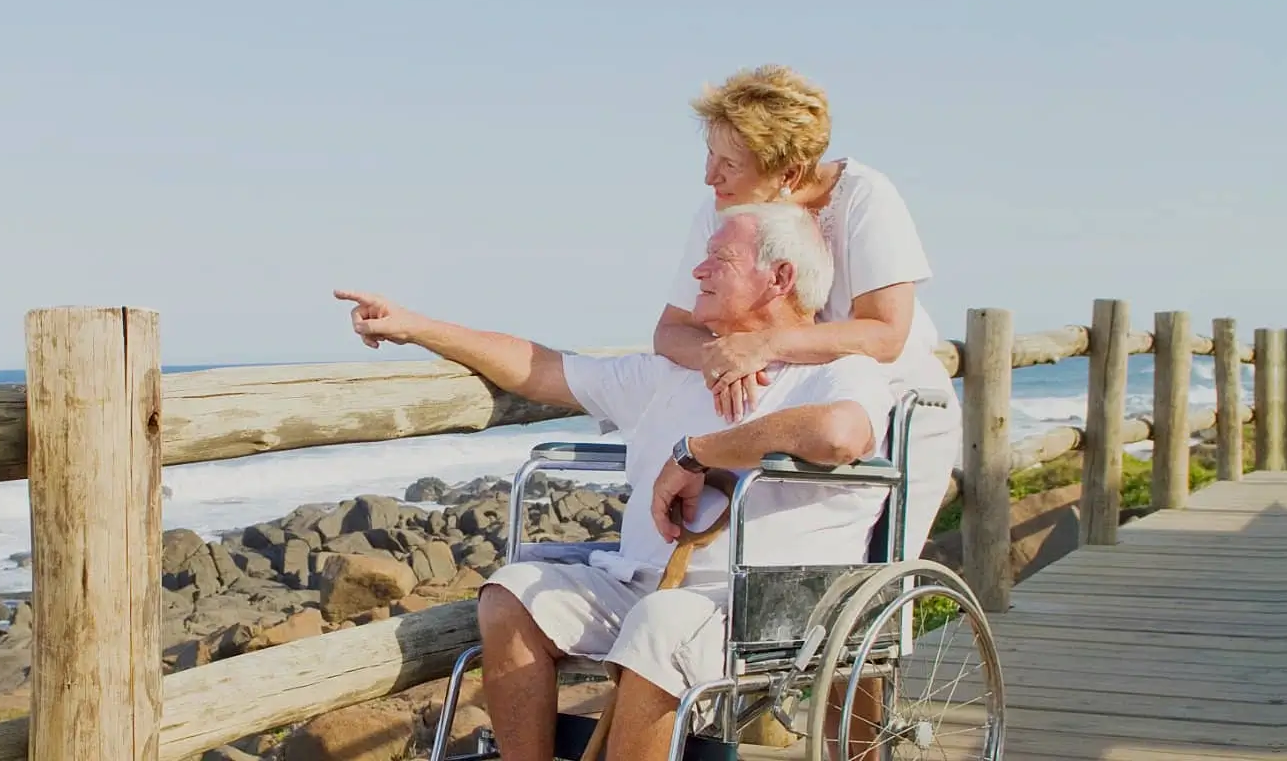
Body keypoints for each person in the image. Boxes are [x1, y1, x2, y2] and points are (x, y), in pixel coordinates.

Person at [335, 204, 893, 761]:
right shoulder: (676, 372)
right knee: (513, 596)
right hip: (643, 585)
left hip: (760, 606)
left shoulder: (839, 370)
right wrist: (417, 326)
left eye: (719, 259)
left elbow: (841, 434)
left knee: (659, 624)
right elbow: (542, 368)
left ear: (780, 277)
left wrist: (698, 454)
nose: (697, 272)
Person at [654, 64, 960, 561]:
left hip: (897, 414)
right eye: (711, 155)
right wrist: (719, 357)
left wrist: (763, 346)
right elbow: (671, 332)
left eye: (729, 164)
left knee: (875, 578)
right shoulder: (720, 209)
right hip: (794, 416)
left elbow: (885, 335)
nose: (710, 176)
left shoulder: (865, 196)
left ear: (788, 174)